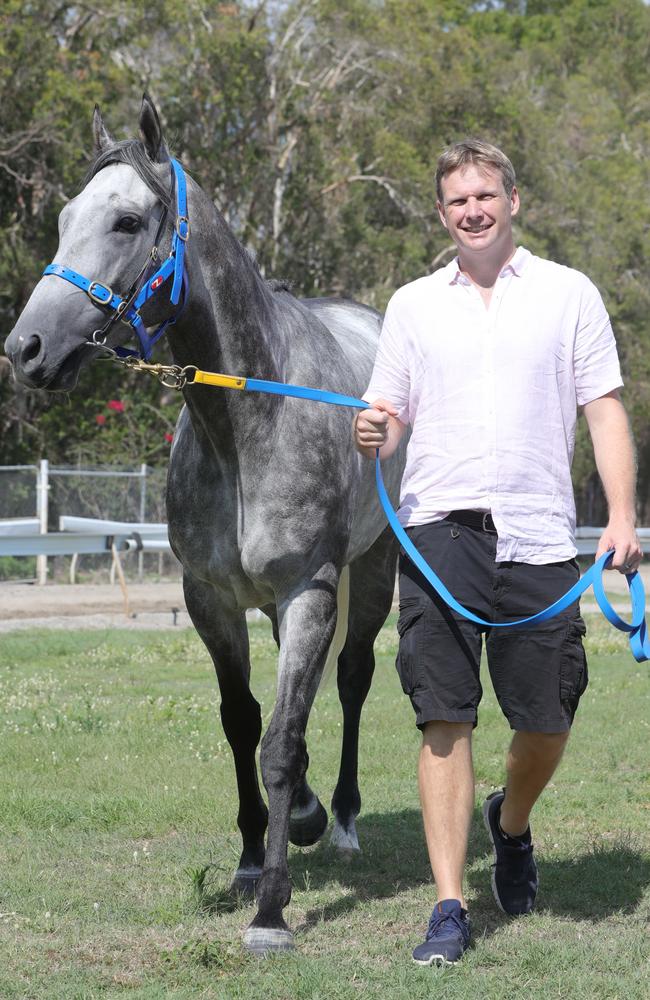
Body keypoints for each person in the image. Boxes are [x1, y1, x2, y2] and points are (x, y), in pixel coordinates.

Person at [354, 138, 643, 966]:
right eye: (457, 201)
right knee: (444, 714)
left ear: (514, 200)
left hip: (540, 532)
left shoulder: (568, 295)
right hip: (439, 527)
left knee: (546, 719)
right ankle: (450, 905)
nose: (473, 210)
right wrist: (372, 429)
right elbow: (389, 413)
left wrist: (621, 516)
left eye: (486, 195)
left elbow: (605, 408)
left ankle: (509, 824)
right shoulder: (412, 305)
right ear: (441, 214)